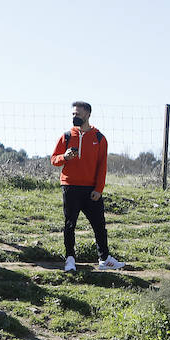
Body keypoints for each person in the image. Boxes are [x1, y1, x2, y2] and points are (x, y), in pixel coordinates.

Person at [51, 101, 124, 272]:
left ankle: (105, 259)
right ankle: (70, 260)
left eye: (78, 114)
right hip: (70, 186)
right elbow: (54, 159)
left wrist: (99, 189)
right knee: (70, 224)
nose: (74, 116)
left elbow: (102, 166)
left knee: (99, 225)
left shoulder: (99, 138)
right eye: (73, 114)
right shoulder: (67, 136)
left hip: (91, 189)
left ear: (88, 114)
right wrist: (64, 157)